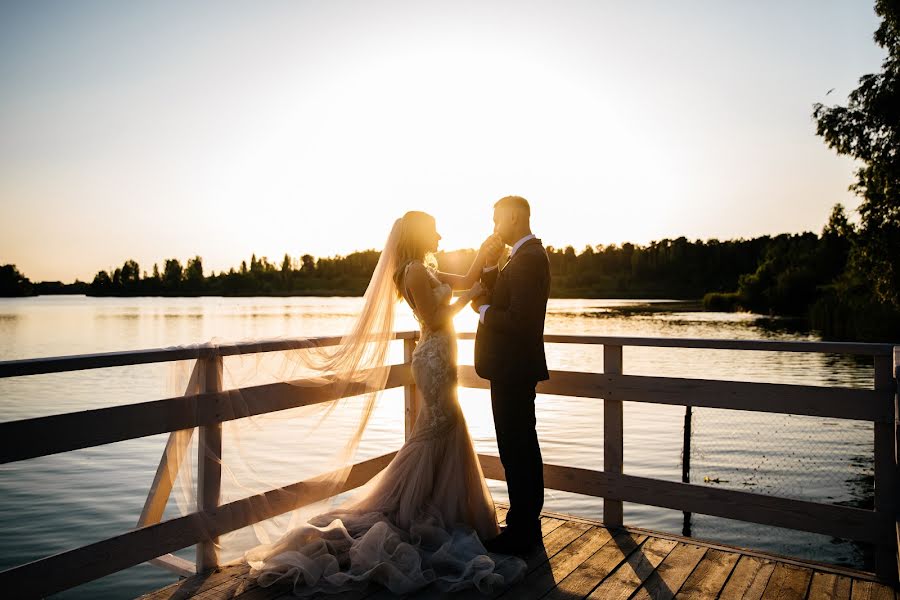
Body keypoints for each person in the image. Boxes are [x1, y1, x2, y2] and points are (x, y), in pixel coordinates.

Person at [246, 211, 524, 596]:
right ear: (417, 235)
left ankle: (443, 508)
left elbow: (462, 279)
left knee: (447, 428)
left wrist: (483, 253)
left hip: (442, 355)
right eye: (434, 231)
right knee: (435, 430)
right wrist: (474, 297)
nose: (441, 236)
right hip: (434, 357)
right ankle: (407, 508)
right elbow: (437, 315)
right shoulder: (412, 271)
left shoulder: (424, 269)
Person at [470, 196, 551, 555]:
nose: (494, 227)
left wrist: (483, 310)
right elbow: (505, 298)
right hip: (511, 367)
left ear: (515, 217)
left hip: (513, 368)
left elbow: (519, 321)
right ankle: (523, 525)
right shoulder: (519, 256)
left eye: (497, 219)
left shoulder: (529, 258)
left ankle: (523, 529)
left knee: (518, 448)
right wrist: (489, 266)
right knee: (516, 446)